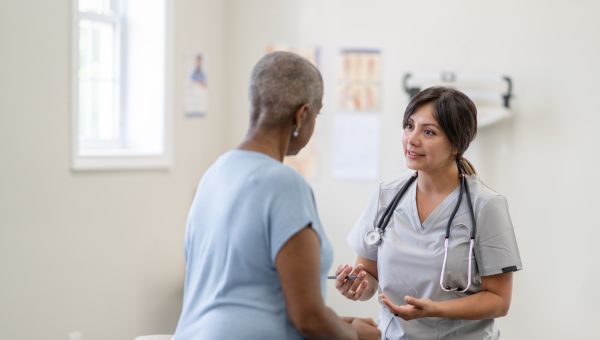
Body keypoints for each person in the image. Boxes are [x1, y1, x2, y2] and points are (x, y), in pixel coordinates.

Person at [173, 51, 380, 340]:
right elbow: (307, 318)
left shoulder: (214, 174)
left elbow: (254, 298)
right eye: (316, 115)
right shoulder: (284, 184)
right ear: (302, 115)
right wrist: (359, 337)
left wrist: (345, 325)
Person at [335, 87, 522, 339]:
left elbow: (499, 301)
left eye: (429, 132)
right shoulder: (386, 196)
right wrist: (356, 286)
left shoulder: (486, 206)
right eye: (409, 126)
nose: (412, 139)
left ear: (456, 144)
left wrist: (435, 310)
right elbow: (368, 276)